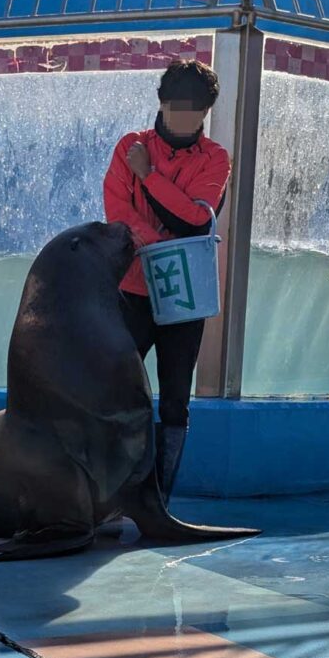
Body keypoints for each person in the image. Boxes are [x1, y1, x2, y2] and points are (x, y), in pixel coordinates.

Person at [103, 59, 230, 503]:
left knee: (175, 400)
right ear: (161, 103)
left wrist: (149, 176)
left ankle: (157, 502)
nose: (184, 119)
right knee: (118, 393)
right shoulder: (130, 146)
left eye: (195, 111)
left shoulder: (215, 158)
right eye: (177, 108)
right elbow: (118, 215)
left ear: (206, 112)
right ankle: (112, 493)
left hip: (185, 299)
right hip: (133, 292)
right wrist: (162, 246)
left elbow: (196, 220)